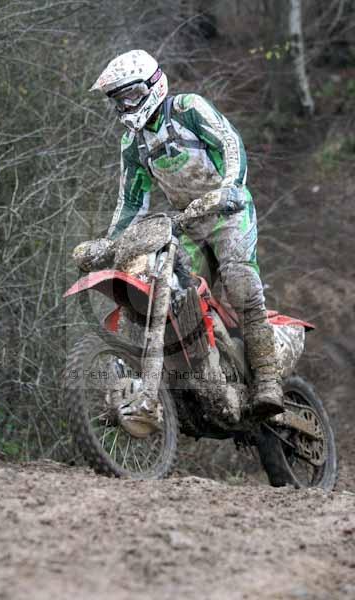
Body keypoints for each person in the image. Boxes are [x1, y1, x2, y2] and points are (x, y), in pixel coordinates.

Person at [90, 49, 283, 417]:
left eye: (132, 95)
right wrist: (111, 244)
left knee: (240, 284)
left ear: (152, 85)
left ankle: (267, 380)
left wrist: (231, 186)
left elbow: (229, 142)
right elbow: (131, 202)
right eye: (119, 100)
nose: (126, 106)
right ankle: (198, 377)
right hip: (188, 223)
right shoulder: (132, 144)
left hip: (228, 211)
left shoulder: (187, 109)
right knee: (175, 294)